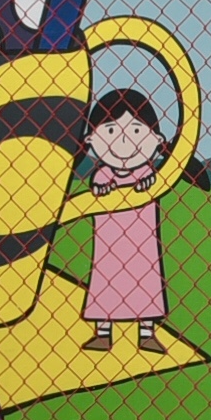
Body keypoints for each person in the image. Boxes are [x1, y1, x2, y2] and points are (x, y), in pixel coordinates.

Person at [80, 89, 172, 353]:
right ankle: (103, 332)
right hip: (109, 245)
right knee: (103, 283)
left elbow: (151, 180)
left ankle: (146, 333)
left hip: (142, 246)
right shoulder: (103, 175)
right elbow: (99, 184)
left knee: (147, 283)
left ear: (156, 139)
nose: (123, 142)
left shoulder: (147, 173)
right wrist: (101, 189)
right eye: (110, 132)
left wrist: (147, 181)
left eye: (135, 132)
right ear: (90, 139)